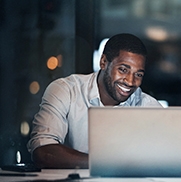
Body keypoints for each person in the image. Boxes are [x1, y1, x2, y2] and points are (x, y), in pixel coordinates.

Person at [27, 33, 162, 169]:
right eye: (123, 70)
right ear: (103, 62)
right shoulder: (66, 91)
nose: (130, 81)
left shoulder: (149, 107)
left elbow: (168, 159)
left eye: (138, 74)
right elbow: (43, 152)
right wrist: (107, 165)